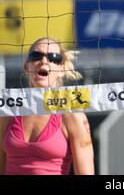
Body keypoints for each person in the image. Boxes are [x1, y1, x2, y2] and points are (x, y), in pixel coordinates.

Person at [0, 38, 94, 175]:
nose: (44, 61)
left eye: (53, 58)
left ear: (62, 69)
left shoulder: (72, 116)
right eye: (36, 56)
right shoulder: (8, 112)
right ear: (27, 67)